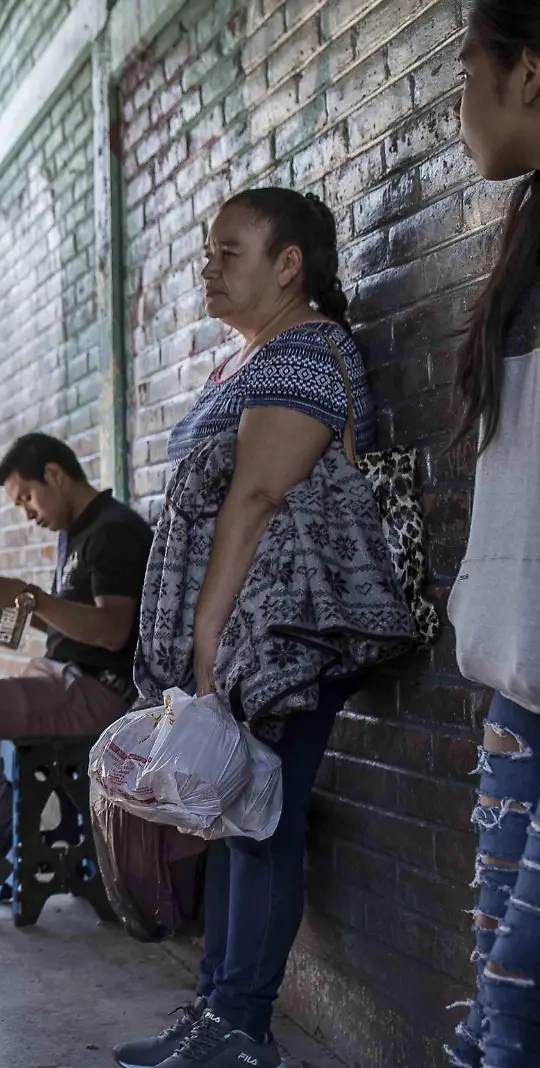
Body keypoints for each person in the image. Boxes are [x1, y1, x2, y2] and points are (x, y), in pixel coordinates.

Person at [109, 189, 384, 1068]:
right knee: (233, 814)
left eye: (231, 251)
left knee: (261, 821)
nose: (209, 265)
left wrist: (206, 634)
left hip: (279, 637)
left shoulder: (304, 352)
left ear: (289, 263)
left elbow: (259, 497)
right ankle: (218, 1013)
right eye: (206, 250)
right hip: (252, 635)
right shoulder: (257, 357)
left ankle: (240, 1027)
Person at [0, 433, 149, 921]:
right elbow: (73, 620)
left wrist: (35, 598)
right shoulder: (74, 533)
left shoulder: (114, 530)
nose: (28, 513)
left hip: (94, 688)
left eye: (28, 498)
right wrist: (2, 614)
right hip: (59, 675)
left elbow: (113, 631)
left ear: (55, 476)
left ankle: (6, 830)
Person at [445, 7, 540, 1065]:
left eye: (466, 73)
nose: (457, 107)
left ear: (527, 72)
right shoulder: (525, 230)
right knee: (492, 994)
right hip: (518, 675)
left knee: (512, 1014)